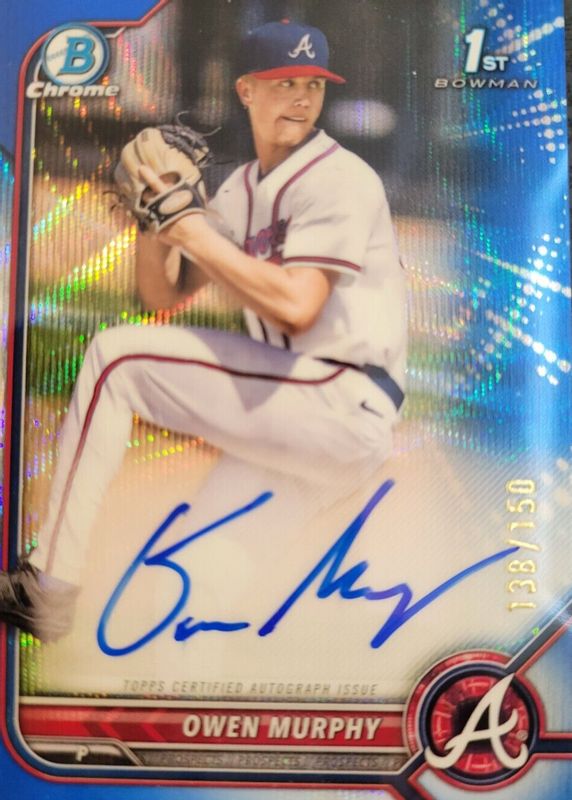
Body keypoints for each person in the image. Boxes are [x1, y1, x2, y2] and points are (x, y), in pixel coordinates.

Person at [0, 19, 407, 642]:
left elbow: (298, 307)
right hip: (288, 416)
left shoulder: (341, 178)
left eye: (313, 85)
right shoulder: (240, 190)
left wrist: (187, 226)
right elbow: (161, 296)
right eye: (284, 82)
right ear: (246, 90)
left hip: (340, 397)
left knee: (116, 360)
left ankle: (49, 585)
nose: (301, 98)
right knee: (194, 582)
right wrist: (154, 218)